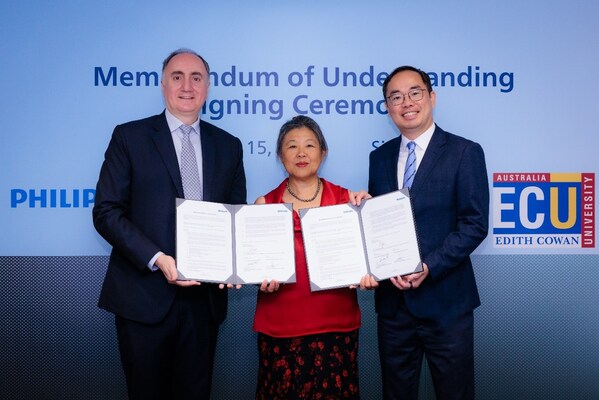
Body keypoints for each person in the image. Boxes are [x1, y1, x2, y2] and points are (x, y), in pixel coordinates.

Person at [92, 48, 246, 399]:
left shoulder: (229, 146)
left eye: (197, 77)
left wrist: (238, 264)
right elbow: (106, 212)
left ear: (208, 86)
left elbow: (236, 217)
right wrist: (158, 258)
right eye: (177, 76)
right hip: (143, 299)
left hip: (203, 304)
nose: (187, 86)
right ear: (163, 85)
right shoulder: (129, 137)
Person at [366, 66, 489, 400]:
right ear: (388, 107)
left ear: (432, 97)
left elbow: (475, 223)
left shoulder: (465, 152)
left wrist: (429, 265)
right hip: (394, 307)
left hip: (447, 304)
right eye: (395, 96)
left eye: (415, 92)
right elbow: (380, 225)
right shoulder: (379, 158)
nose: (406, 102)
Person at [253, 115, 373, 399]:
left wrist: (370, 270)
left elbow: (368, 261)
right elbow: (255, 266)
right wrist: (259, 279)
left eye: (310, 145)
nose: (301, 153)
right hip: (280, 329)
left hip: (335, 327)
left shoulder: (350, 201)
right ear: (280, 155)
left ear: (323, 152)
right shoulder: (263, 204)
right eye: (291, 146)